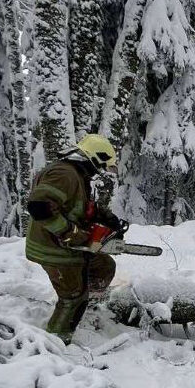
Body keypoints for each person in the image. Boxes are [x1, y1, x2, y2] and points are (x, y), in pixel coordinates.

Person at [25, 134, 123, 344]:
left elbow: (80, 207)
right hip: (52, 248)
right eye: (102, 165)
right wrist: (70, 233)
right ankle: (56, 341)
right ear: (94, 158)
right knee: (74, 298)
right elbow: (39, 207)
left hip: (67, 246)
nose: (101, 170)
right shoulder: (64, 174)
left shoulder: (77, 175)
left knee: (104, 266)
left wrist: (107, 218)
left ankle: (89, 308)